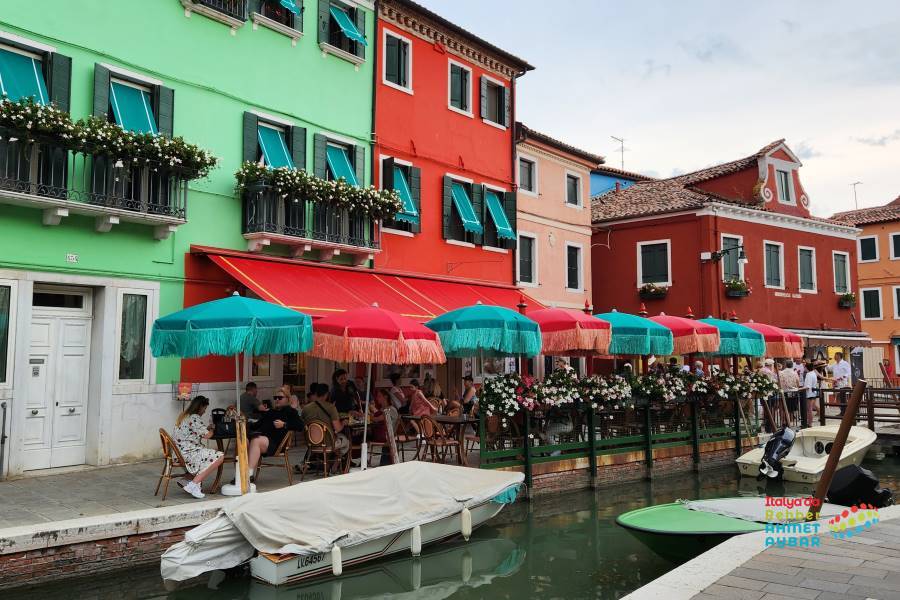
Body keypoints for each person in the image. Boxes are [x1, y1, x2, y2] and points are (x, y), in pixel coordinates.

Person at [245, 389, 305, 481]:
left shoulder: (291, 412)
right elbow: (256, 425)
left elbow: (300, 426)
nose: (277, 399)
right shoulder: (270, 412)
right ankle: (240, 473)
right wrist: (242, 424)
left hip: (277, 444)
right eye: (275, 398)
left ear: (287, 399)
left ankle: (248, 475)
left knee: (256, 440)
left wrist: (284, 424)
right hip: (264, 440)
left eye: (280, 398)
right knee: (243, 440)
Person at [173, 396, 224, 499]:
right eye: (204, 408)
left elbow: (196, 430)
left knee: (207, 454)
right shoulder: (194, 417)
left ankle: (187, 479)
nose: (204, 411)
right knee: (220, 456)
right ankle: (193, 484)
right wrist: (213, 429)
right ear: (200, 407)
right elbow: (207, 436)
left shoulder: (184, 415)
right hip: (188, 453)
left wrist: (207, 429)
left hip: (179, 453)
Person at [301, 383, 350, 458]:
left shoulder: (306, 408)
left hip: (311, 443)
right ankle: (335, 464)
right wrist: (343, 423)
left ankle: (325, 463)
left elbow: (303, 424)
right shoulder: (331, 407)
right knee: (346, 442)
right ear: (327, 394)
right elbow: (338, 428)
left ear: (315, 394)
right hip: (328, 444)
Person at [370, 388, 399, 466]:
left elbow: (377, 419)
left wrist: (366, 416)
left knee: (365, 437)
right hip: (385, 435)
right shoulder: (384, 409)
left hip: (388, 436)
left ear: (385, 397)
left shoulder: (390, 409)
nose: (377, 398)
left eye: (379, 396)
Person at [801, 360, 819, 426]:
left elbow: (808, 386)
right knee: (810, 409)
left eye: (805, 367)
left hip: (809, 393)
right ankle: (809, 423)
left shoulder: (809, 374)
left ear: (806, 368)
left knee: (809, 409)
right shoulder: (813, 373)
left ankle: (809, 423)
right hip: (813, 393)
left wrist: (799, 389)